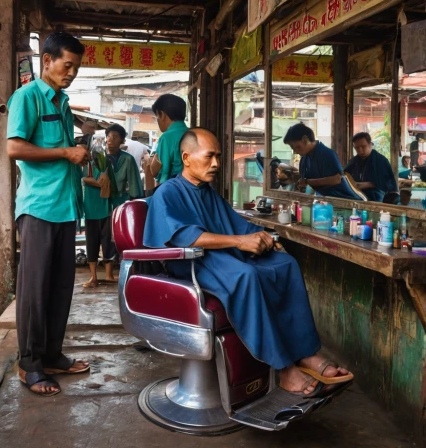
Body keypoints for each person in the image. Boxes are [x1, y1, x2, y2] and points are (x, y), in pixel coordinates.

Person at [144, 128, 353, 395]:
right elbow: (184, 236)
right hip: (191, 263)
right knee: (246, 276)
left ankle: (305, 352)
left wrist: (265, 240)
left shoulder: (208, 193)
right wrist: (240, 242)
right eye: (209, 156)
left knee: (284, 265)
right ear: (186, 158)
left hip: (221, 257)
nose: (216, 164)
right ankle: (284, 368)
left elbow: (236, 226)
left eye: (218, 157)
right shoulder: (168, 193)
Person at [7, 31, 91, 397]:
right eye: (66, 65)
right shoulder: (27, 97)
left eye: (76, 67)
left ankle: (52, 354)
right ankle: (29, 364)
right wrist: (65, 153)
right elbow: (14, 148)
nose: (71, 73)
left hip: (65, 207)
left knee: (60, 286)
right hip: (39, 208)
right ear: (47, 60)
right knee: (34, 291)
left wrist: (74, 152)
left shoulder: (63, 101)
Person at [83, 124, 143, 288]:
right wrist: (102, 184)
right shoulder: (96, 157)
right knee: (94, 238)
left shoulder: (127, 159)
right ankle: (94, 276)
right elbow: (85, 177)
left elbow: (135, 184)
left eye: (115, 137)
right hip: (97, 203)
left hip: (117, 203)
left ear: (122, 140)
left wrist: (137, 204)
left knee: (111, 239)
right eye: (109, 137)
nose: (111, 140)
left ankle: (111, 274)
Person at [283, 123, 361, 199]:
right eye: (292, 148)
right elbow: (304, 183)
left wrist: (307, 181)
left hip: (343, 202)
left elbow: (337, 179)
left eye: (296, 147)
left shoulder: (327, 154)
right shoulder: (304, 159)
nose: (295, 151)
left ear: (305, 140)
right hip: (321, 201)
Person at [344, 132, 398, 202]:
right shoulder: (353, 161)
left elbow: (387, 184)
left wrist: (368, 184)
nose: (360, 150)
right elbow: (345, 175)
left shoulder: (381, 160)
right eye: (357, 147)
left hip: (378, 197)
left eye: (363, 147)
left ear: (370, 145)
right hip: (356, 195)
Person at [150, 94, 189, 185]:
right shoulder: (193, 133)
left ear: (162, 115)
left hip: (174, 188)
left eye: (157, 117)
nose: (158, 121)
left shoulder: (166, 137)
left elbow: (164, 172)